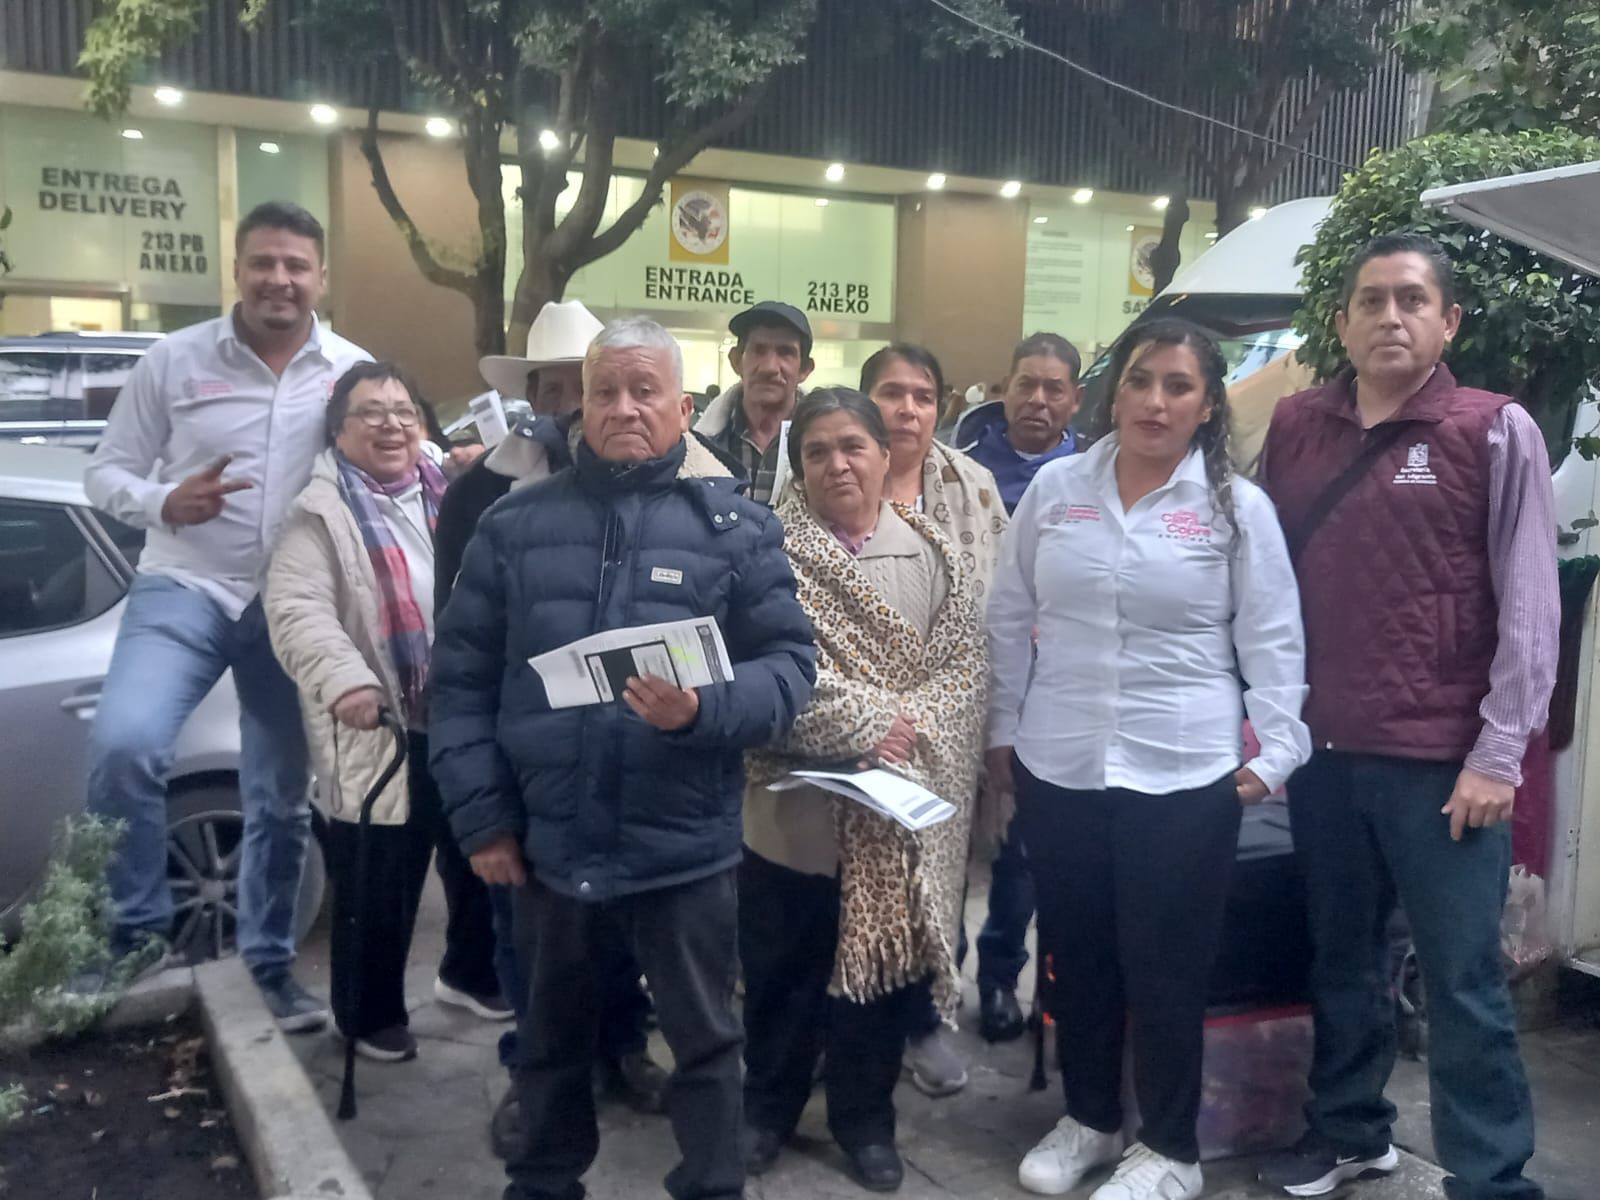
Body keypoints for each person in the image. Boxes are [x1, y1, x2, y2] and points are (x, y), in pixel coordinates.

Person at [430, 317, 817, 1200]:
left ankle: (712, 1187)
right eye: (605, 391)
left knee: (707, 1046)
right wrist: (483, 820)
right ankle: (543, 1183)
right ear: (581, 405)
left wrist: (703, 710)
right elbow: (458, 687)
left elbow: (790, 668)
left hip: (683, 846)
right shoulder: (512, 527)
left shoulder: (738, 531)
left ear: (683, 407)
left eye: (646, 391)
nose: (624, 408)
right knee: (548, 1044)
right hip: (548, 845)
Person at [1256, 233, 1557, 1200]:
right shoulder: (1296, 425)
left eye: (1413, 300)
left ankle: (1492, 1178)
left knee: (1462, 980)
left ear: (1448, 320)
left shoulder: (1494, 430)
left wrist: (1499, 753)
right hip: (1324, 753)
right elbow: (1261, 581)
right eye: (1373, 300)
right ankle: (1349, 1131)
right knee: (1341, 959)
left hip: (1445, 765)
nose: (1392, 317)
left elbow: (1531, 604)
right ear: (1342, 321)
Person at [988, 318, 1310, 1200]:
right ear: (1115, 390)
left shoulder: (1237, 509)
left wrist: (1278, 749)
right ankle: (1091, 1120)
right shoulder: (1058, 489)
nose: (1155, 402)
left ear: (1207, 406)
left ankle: (1170, 1149)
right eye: (1140, 380)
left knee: (1166, 967)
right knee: (1078, 953)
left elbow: (1273, 635)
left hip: (1184, 773)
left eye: (1178, 386)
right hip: (1061, 763)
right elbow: (1008, 613)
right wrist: (1002, 729)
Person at [81, 201, 370, 1028]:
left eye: (296, 265)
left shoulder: (349, 370)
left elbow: (390, 452)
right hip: (187, 587)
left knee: (279, 796)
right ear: (236, 269)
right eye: (263, 262)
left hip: (292, 601)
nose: (279, 278)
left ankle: (269, 967)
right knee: (125, 745)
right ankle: (136, 938)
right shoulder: (174, 361)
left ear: (321, 277)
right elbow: (105, 472)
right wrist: (163, 500)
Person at [433, 300, 684, 1150]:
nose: (575, 404)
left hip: (636, 760)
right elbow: (462, 654)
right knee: (528, 946)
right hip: (531, 769)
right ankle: (535, 1074)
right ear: (535, 393)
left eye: (587, 384)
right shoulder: (481, 494)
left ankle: (622, 1048)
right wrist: (483, 803)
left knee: (623, 936)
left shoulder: (678, 485)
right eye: (557, 387)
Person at [740, 388, 987, 1192]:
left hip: (897, 818)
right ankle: (766, 1111)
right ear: (797, 467)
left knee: (879, 982)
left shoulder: (933, 553)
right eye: (816, 452)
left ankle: (865, 1121)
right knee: (781, 975)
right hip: (794, 823)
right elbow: (763, 672)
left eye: (853, 446)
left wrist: (905, 728)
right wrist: (869, 720)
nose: (837, 465)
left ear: (887, 455)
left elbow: (964, 672)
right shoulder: (766, 555)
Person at [264, 362, 508, 1062]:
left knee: (478, 853)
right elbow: (298, 610)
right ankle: (366, 1015)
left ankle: (470, 974)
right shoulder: (319, 513)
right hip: (382, 726)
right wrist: (346, 682)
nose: (391, 425)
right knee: (380, 881)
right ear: (338, 432)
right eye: (370, 412)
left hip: (461, 715)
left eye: (403, 411)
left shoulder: (453, 493)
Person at [851, 342, 1007, 1097]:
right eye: (891, 393)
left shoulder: (974, 487)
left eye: (922, 395)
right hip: (853, 724)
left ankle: (925, 1020)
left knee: (936, 882)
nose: (907, 409)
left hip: (948, 722)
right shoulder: (831, 471)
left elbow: (1003, 606)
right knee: (854, 883)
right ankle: (841, 1027)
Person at [952, 330, 1084, 1043]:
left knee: (1022, 850)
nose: (1037, 400)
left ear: (1075, 399)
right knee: (949, 841)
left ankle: (1002, 976)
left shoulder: (1096, 476)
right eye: (1025, 384)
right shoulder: (963, 470)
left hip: (1052, 690)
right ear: (1004, 389)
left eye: (1053, 388)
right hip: (962, 678)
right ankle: (939, 979)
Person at [694, 300, 815, 504]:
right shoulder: (699, 443)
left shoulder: (824, 444)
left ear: (804, 369)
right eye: (758, 350)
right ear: (736, 361)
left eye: (785, 352)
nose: (769, 367)